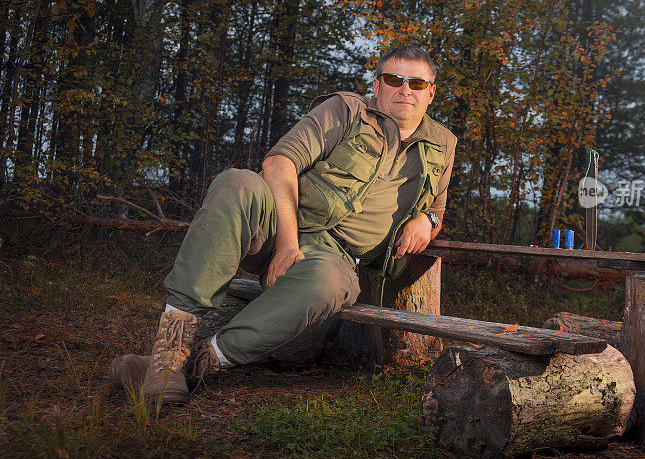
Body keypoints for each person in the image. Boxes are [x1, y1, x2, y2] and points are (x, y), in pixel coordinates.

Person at [111, 45, 457, 404]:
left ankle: (191, 366)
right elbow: (279, 162)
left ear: (431, 92)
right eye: (393, 79)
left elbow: (438, 211)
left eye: (417, 83)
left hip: (332, 256)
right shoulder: (347, 110)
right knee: (237, 183)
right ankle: (170, 348)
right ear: (376, 85)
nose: (405, 90)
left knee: (330, 284)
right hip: (278, 224)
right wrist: (287, 244)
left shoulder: (443, 144)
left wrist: (425, 218)